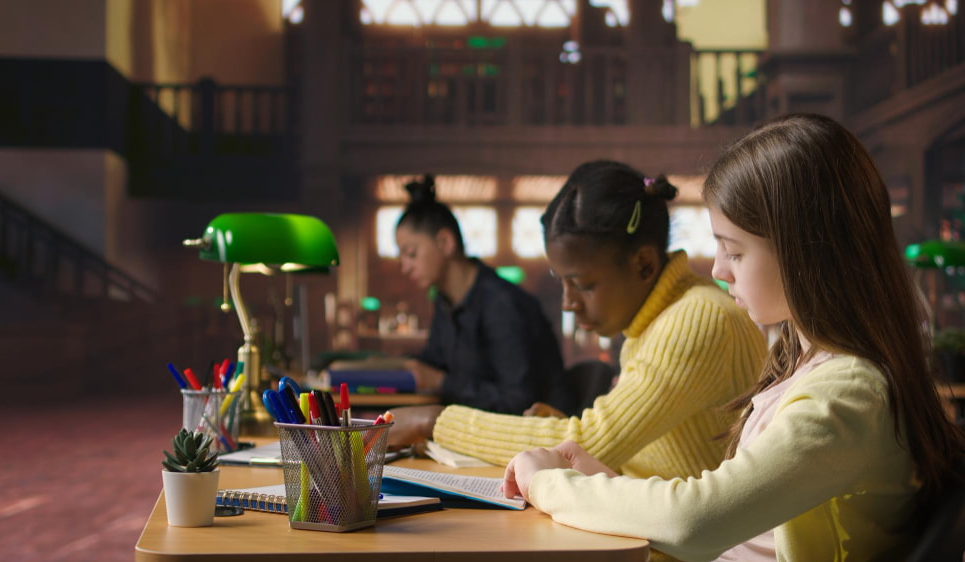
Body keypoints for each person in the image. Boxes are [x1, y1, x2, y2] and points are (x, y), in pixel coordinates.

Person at [502, 114, 965, 561]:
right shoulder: (807, 366)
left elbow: (697, 521)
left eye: (734, 252)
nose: (719, 270)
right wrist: (594, 477)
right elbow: (730, 524)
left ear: (805, 251)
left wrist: (549, 484)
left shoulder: (847, 394)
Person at [387, 161, 767, 487]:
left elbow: (593, 440)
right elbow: (638, 455)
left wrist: (434, 421)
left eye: (583, 285)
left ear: (644, 265)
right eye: (562, 282)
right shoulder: (655, 321)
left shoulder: (696, 318)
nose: (568, 303)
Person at [394, 174, 572, 415]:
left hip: (536, 440)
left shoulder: (502, 304)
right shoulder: (446, 300)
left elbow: (519, 401)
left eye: (411, 253)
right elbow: (434, 361)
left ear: (445, 242)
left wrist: (442, 382)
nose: (404, 267)